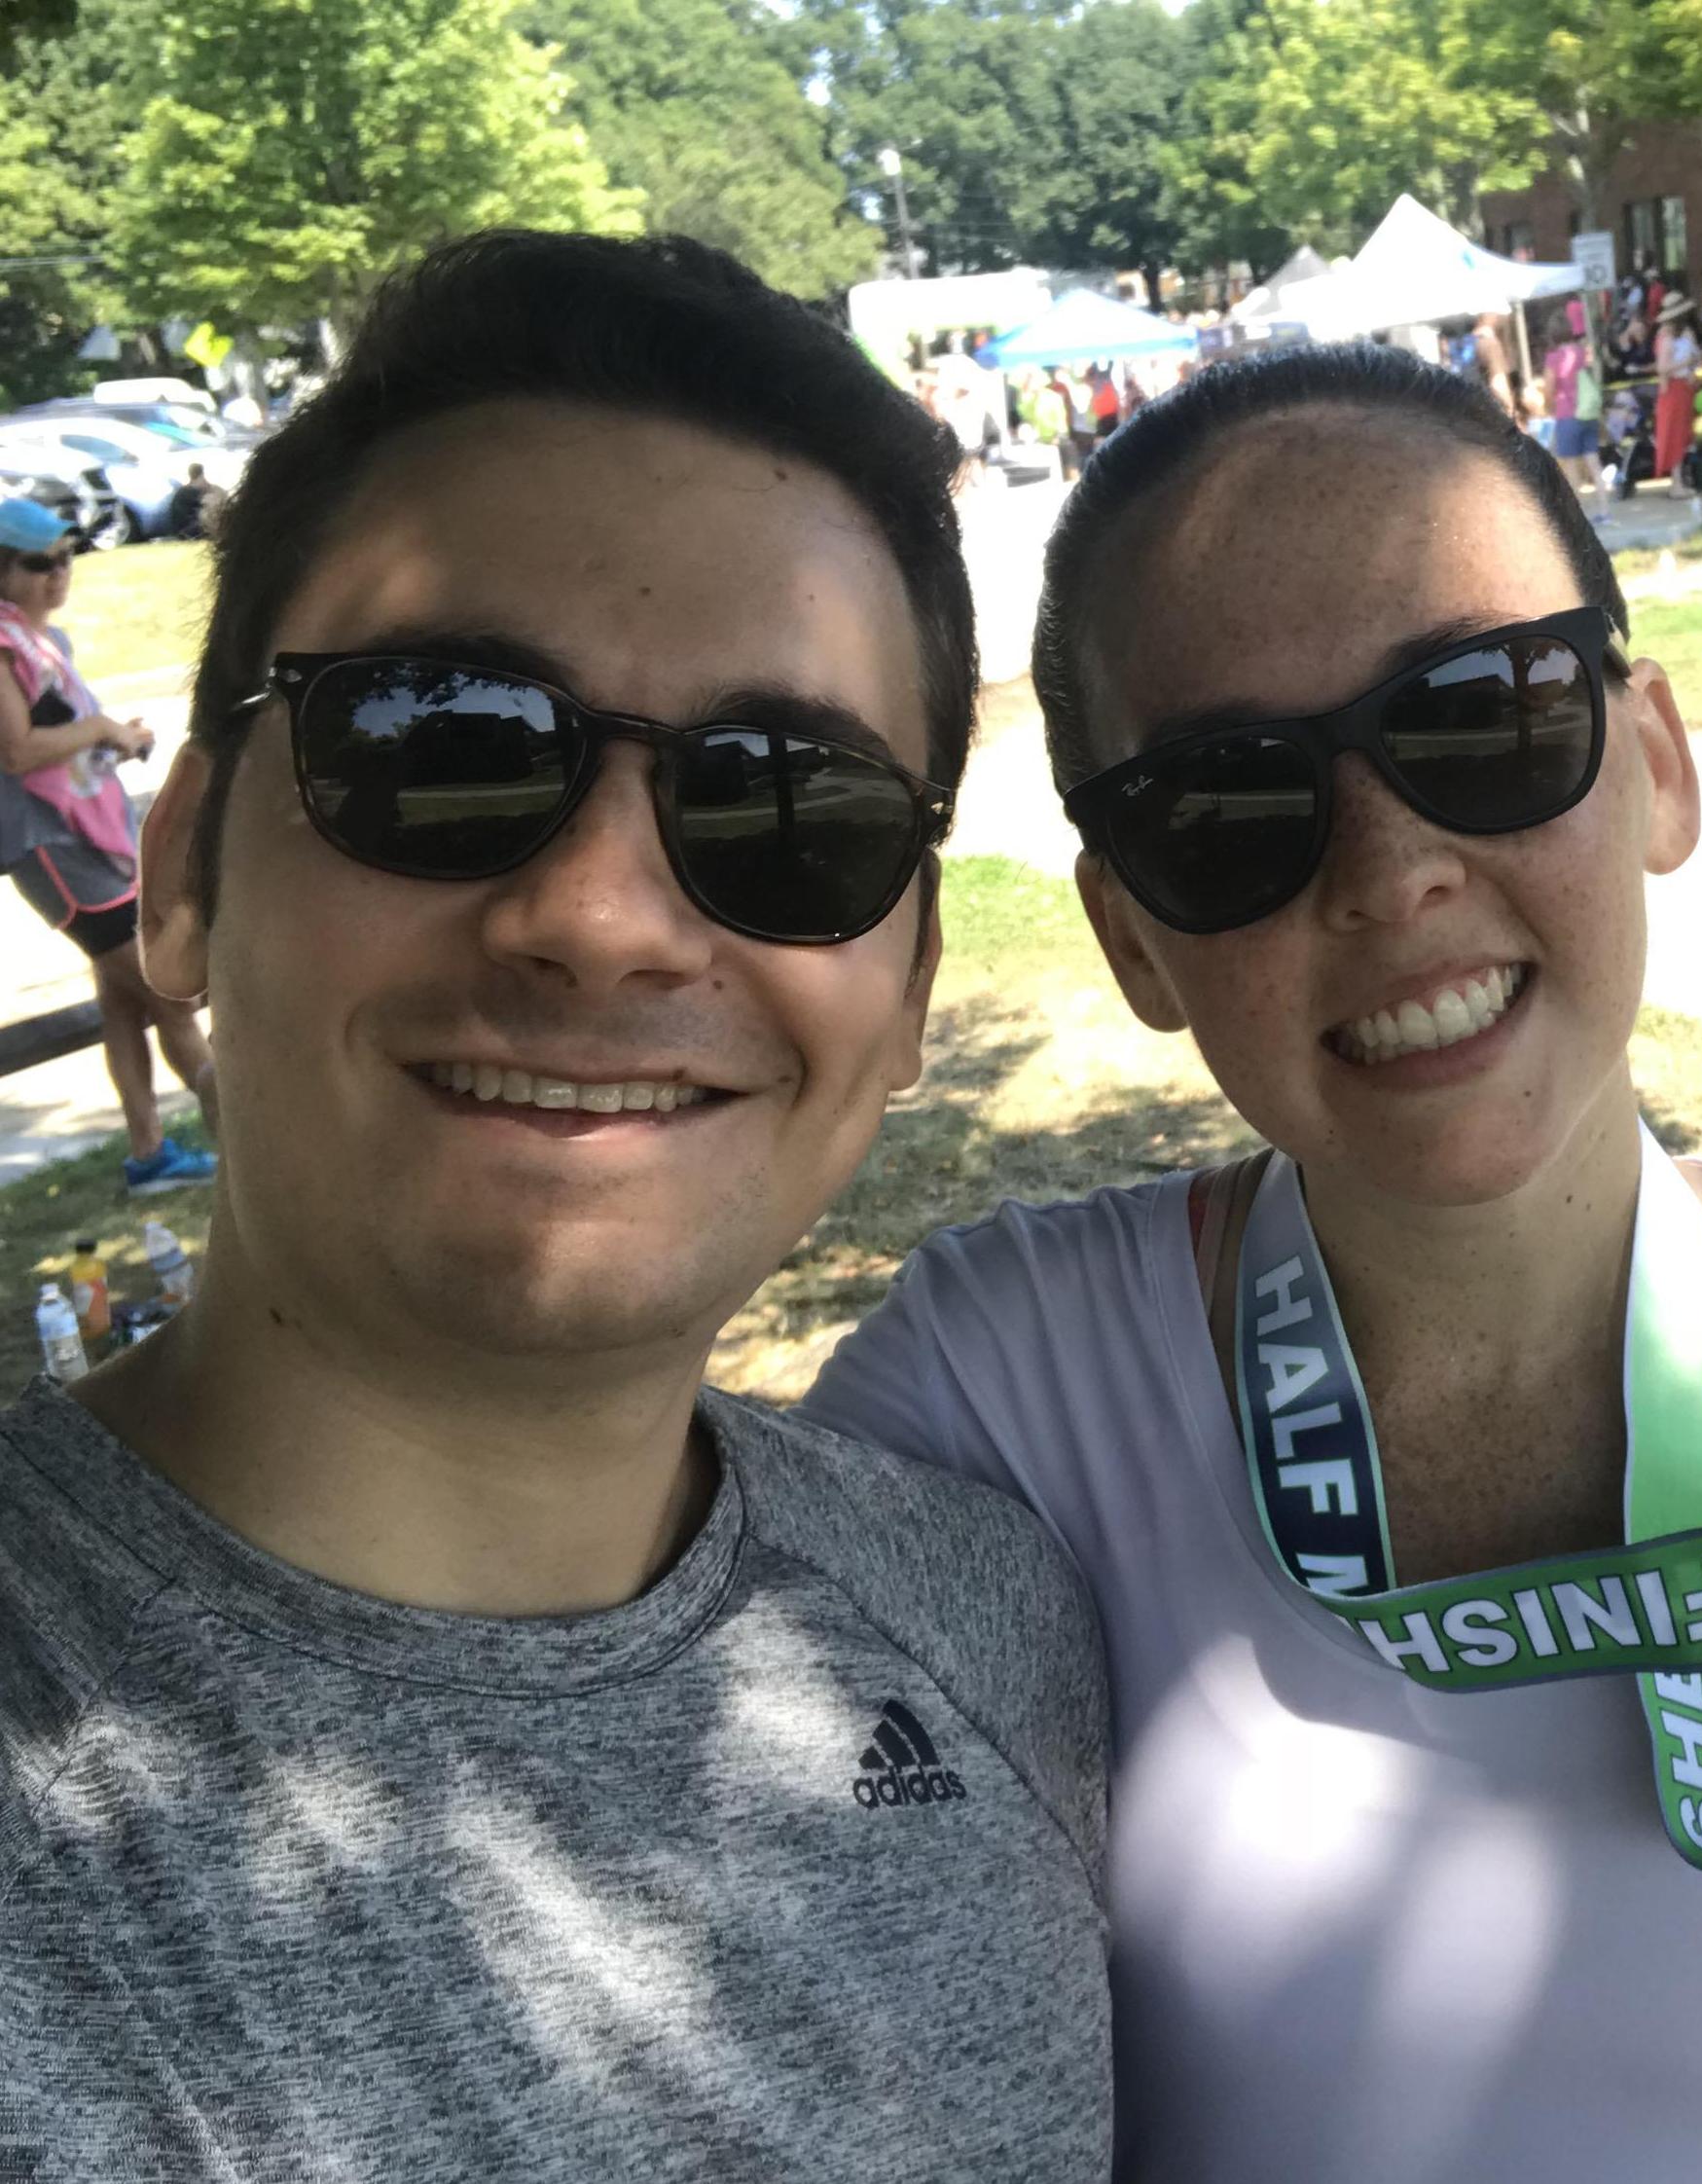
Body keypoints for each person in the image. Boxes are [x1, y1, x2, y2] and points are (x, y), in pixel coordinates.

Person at [803, 342, 1702, 2183]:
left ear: (1654, 766)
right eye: (1225, 804)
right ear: (1130, 937)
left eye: (1479, 718)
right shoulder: (993, 1395)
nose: (1390, 875)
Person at [0, 231, 1110, 2180]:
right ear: (178, 876)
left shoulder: (1000, 1622)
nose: (599, 916)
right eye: (439, 743)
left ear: (911, 985)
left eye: (789, 805)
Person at [0, 496, 218, 1194]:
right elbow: (17, 751)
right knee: (170, 994)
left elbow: (59, 739)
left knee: (123, 1002)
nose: (59, 572)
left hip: (93, 836)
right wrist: (100, 731)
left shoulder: (43, 641)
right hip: (53, 848)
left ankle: (149, 1155)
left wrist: (116, 739)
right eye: (40, 563)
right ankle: (246, 1140)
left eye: (66, 557)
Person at [1543, 300, 1608, 518]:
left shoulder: (1553, 358)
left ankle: (1581, 518)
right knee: (1594, 464)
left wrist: (1549, 408)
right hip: (1588, 413)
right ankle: (1605, 510)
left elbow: (1549, 388)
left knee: (1572, 469)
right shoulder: (1581, 353)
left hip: (1566, 414)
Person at [1651, 289, 1700, 496]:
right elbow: (1662, 368)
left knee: (1684, 434)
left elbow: (1695, 356)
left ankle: (1681, 480)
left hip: (1685, 387)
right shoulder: (1666, 337)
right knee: (1674, 435)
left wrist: (1693, 364)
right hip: (1673, 388)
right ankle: (1676, 484)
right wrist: (1685, 363)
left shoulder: (1686, 333)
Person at [166, 460, 229, 540]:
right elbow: (208, 506)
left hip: (184, 528)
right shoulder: (190, 492)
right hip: (188, 530)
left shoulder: (184, 491)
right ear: (201, 475)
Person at [1471, 310, 1514, 415]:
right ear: (1490, 316)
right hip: (1492, 409)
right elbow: (1497, 382)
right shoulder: (1490, 343)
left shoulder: (1471, 341)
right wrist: (1510, 407)